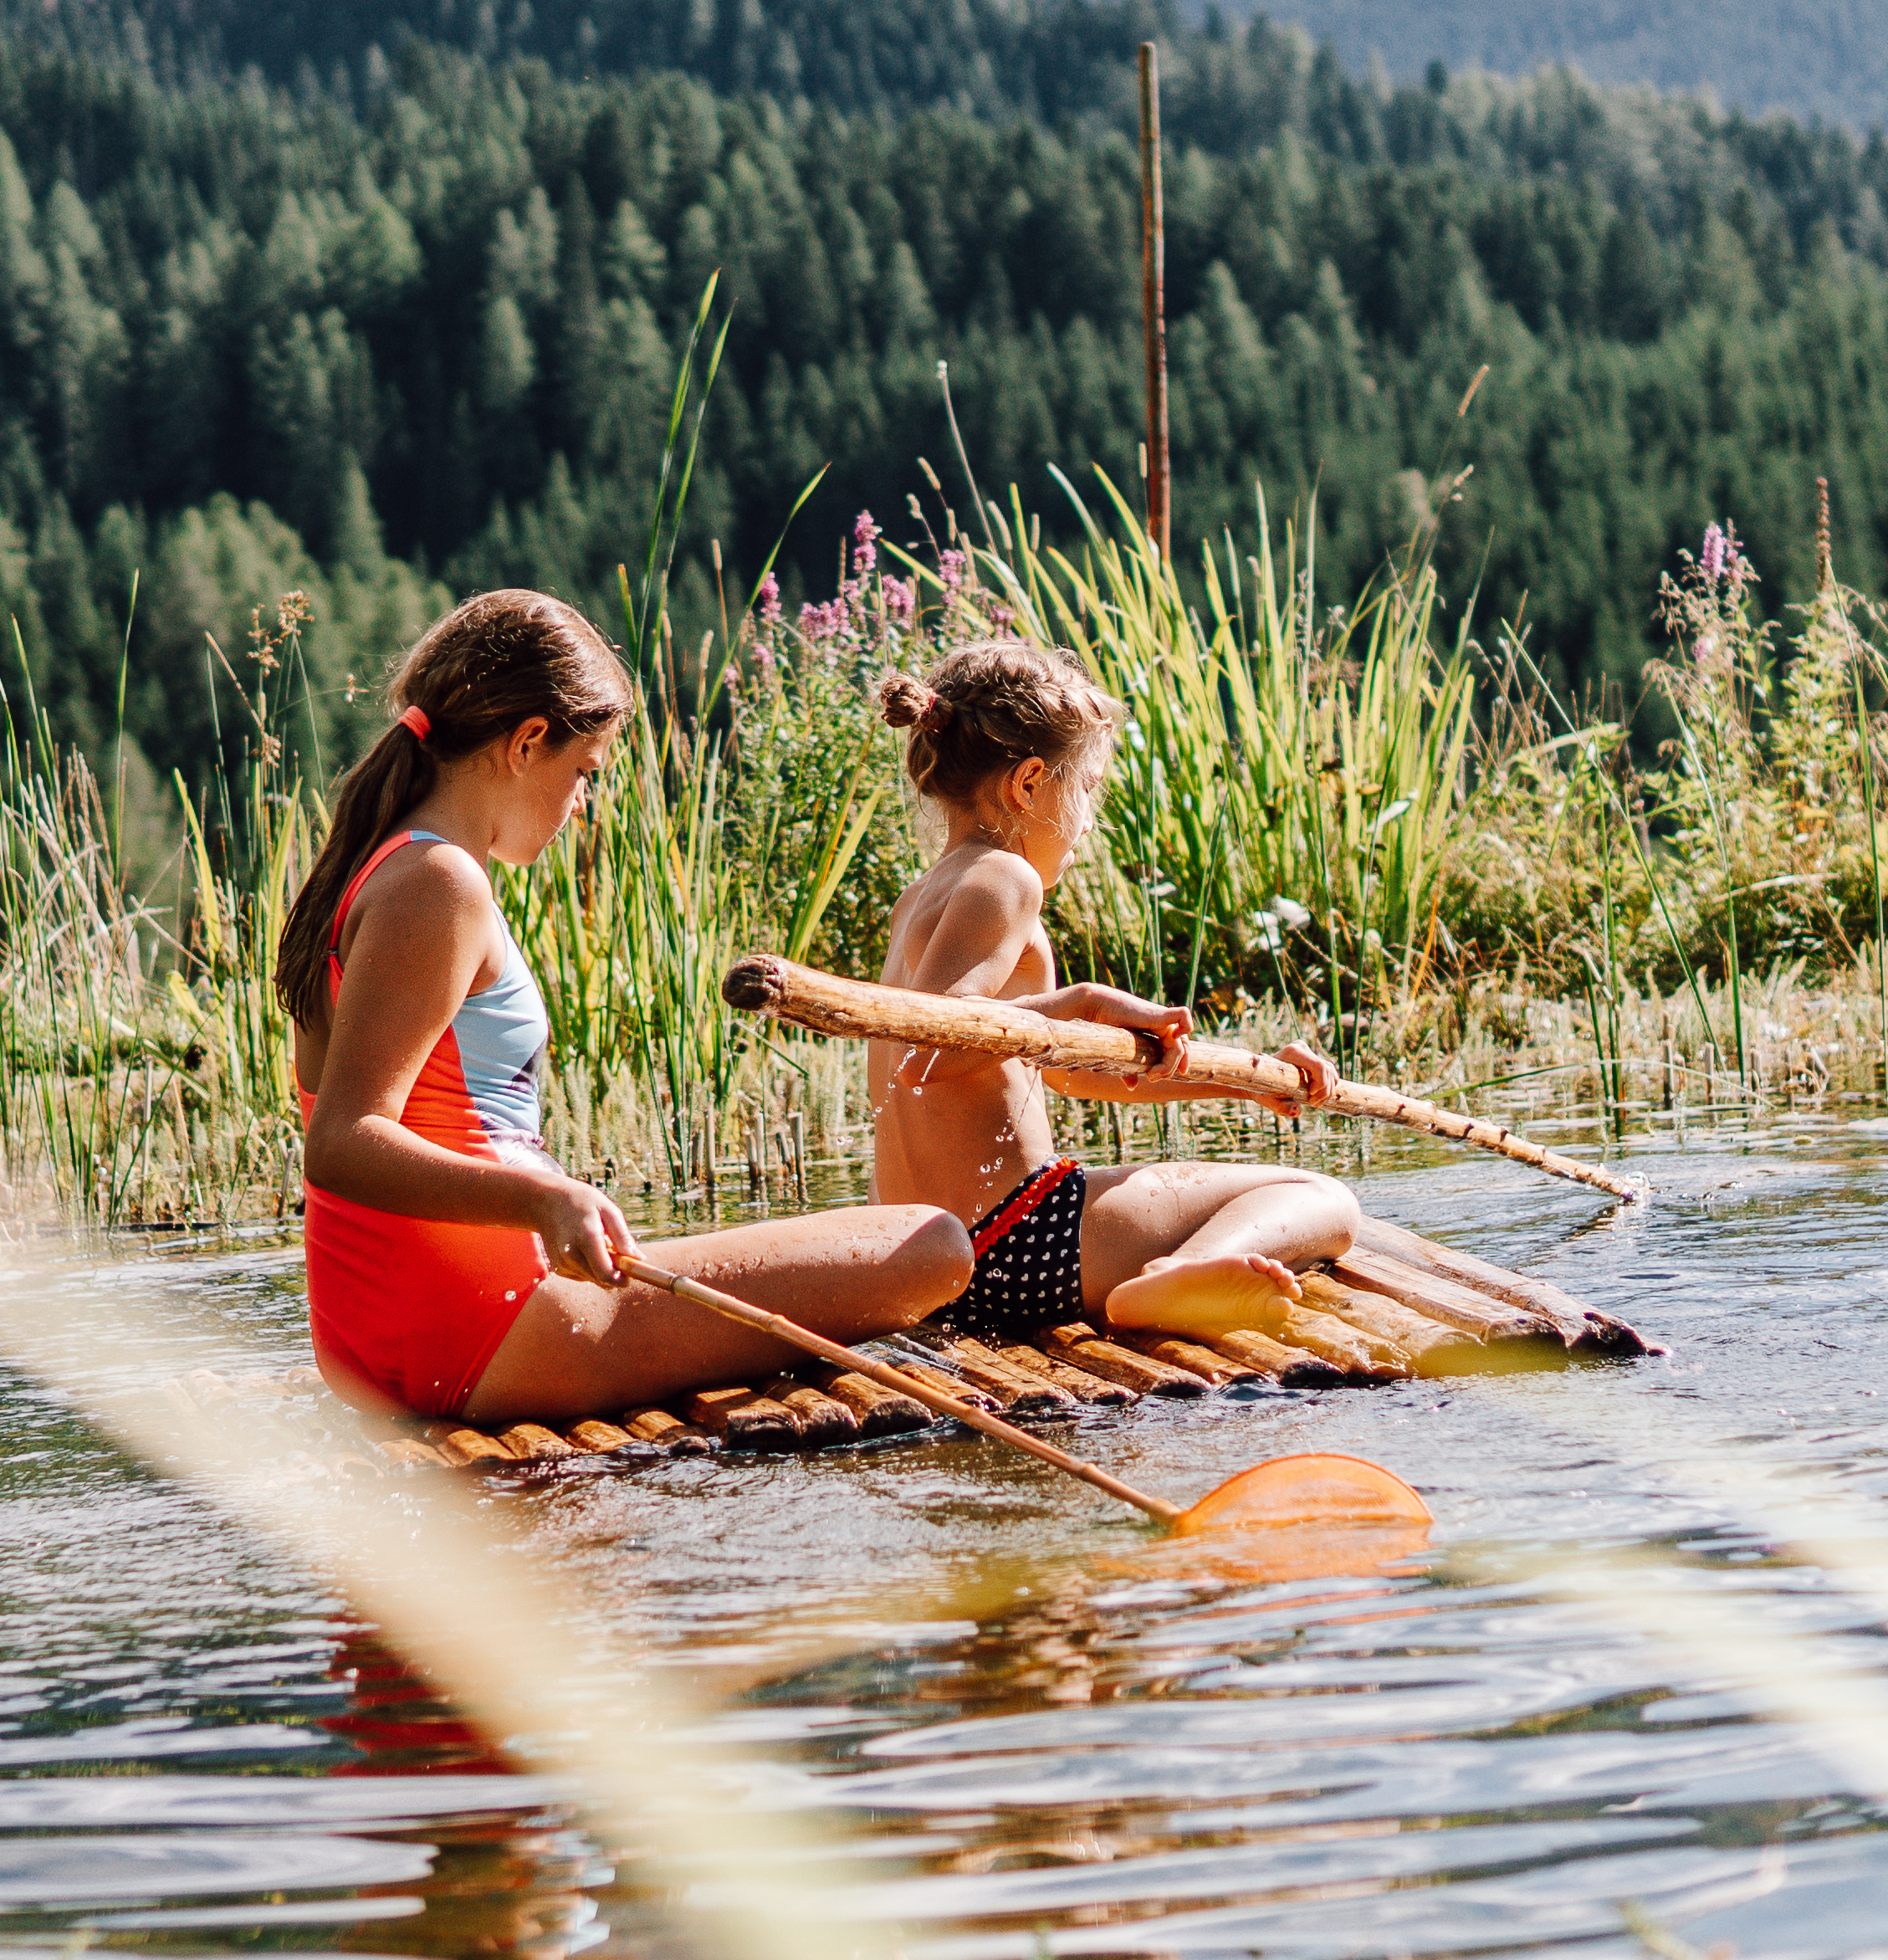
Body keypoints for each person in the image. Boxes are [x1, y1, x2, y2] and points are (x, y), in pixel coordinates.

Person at [284, 591, 970, 1421]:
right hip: (486, 1325)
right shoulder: (437, 883)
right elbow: (343, 1141)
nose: (582, 804)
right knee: (932, 1243)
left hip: (400, 1330)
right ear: (527, 742)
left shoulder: (384, 862)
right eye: (585, 772)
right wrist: (544, 1201)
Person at [866, 638, 1414, 1342]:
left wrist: (1247, 1082)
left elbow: (1065, 1070)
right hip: (1014, 1244)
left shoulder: (917, 900)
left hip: (930, 1266)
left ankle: (1171, 1278)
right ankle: (1171, 1279)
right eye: (1087, 789)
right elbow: (926, 1054)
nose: (1088, 820)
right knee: (1320, 1198)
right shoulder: (1004, 878)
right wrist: (1078, 1004)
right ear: (1028, 783)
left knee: (1303, 1197)